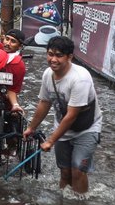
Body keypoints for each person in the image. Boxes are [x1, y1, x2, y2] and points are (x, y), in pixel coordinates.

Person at [23, 36, 102, 194]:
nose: (53, 59)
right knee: (65, 172)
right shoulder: (48, 74)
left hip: (86, 128)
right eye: (50, 54)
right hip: (62, 127)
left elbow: (72, 115)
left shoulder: (80, 79)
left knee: (78, 169)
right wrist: (31, 128)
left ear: (69, 57)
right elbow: (44, 103)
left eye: (59, 55)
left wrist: (50, 141)